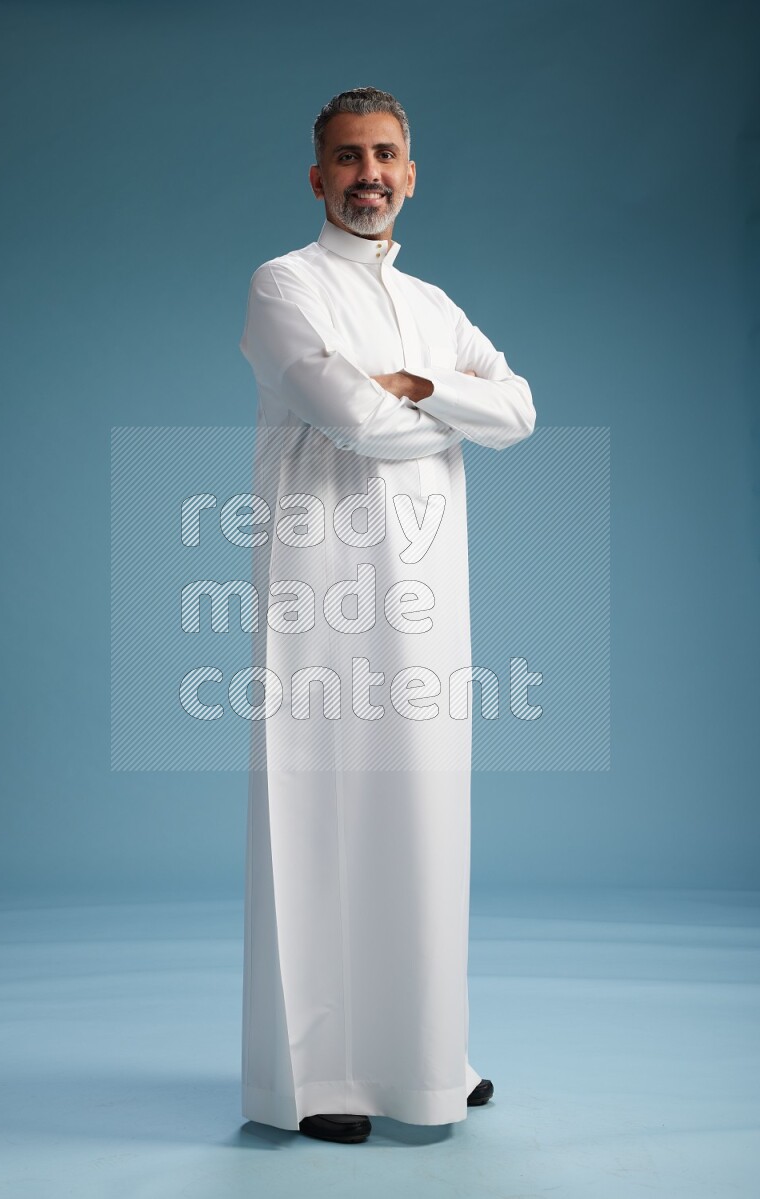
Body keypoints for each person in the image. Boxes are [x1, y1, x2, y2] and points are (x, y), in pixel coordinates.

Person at [238, 86, 535, 1145]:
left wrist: (417, 382)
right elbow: (350, 418)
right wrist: (431, 404)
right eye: (347, 157)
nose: (368, 173)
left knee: (420, 816)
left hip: (422, 597)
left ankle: (424, 1061)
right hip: (320, 594)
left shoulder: (434, 303)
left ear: (410, 172)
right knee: (316, 816)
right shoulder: (283, 285)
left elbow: (518, 408)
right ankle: (313, 1078)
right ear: (315, 176)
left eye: (386, 155)